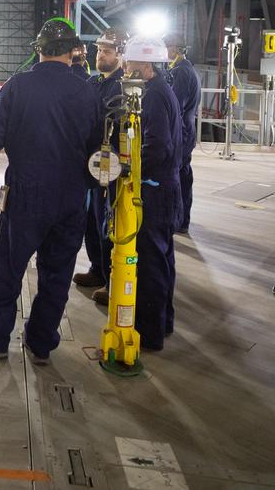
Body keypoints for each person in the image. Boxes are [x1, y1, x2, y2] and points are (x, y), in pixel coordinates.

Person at [0, 17, 99, 365]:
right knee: (57, 273)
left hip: (26, 192)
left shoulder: (18, 86)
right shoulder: (87, 90)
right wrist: (88, 186)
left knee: (7, 267)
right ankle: (41, 344)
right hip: (72, 195)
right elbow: (97, 146)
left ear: (39, 50)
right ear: (73, 52)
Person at [119, 35, 182, 352]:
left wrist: (132, 169)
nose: (125, 68)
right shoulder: (159, 89)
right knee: (163, 257)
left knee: (151, 261)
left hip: (155, 190)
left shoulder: (155, 96)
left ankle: (150, 332)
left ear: (144, 66)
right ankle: (163, 321)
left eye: (129, 63)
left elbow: (159, 145)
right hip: (164, 186)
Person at [73, 30, 125, 294]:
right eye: (99, 50)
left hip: (110, 163)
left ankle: (111, 278)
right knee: (92, 221)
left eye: (107, 51)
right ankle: (97, 268)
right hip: (94, 163)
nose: (100, 55)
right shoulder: (97, 83)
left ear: (120, 55)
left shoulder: (122, 85)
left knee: (107, 222)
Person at [165, 33, 201, 234]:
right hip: (186, 129)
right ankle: (182, 217)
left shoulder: (180, 72)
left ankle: (180, 220)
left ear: (175, 49)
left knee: (179, 176)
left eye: (166, 47)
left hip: (182, 132)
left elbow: (175, 105)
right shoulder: (187, 69)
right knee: (183, 173)